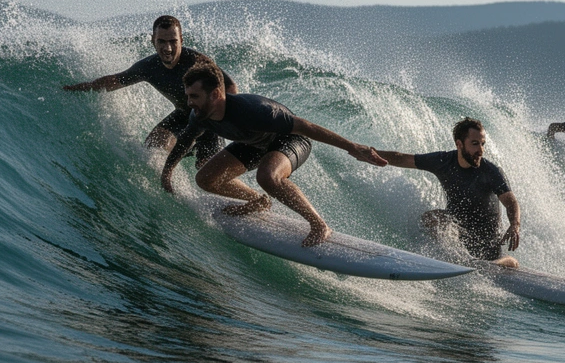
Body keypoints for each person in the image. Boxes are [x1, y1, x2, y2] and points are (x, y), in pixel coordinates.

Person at [160, 65, 387, 247]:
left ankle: (319, 225)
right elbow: (186, 141)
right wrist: (167, 171)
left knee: (268, 176)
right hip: (253, 143)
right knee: (205, 179)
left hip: (290, 141)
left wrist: (352, 147)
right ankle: (258, 201)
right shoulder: (199, 116)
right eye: (188, 96)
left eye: (195, 96)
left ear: (216, 94)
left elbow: (306, 127)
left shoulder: (255, 111)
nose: (190, 103)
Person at [64, 15, 238, 165]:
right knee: (153, 146)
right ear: (152, 41)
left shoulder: (197, 62)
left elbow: (230, 86)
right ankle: (171, 190)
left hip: (208, 122)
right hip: (182, 117)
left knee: (206, 171)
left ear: (181, 40)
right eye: (161, 41)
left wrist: (224, 119)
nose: (167, 48)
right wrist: (80, 87)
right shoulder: (148, 67)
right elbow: (114, 81)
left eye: (173, 41)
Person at [377, 118, 522, 268]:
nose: (481, 150)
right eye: (475, 144)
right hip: (459, 237)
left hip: (487, 243)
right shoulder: (444, 161)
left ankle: (506, 262)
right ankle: (450, 258)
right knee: (431, 217)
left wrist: (514, 225)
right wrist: (370, 153)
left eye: (482, 144)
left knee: (497, 262)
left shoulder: (491, 171)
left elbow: (511, 201)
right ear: (459, 144)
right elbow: (402, 158)